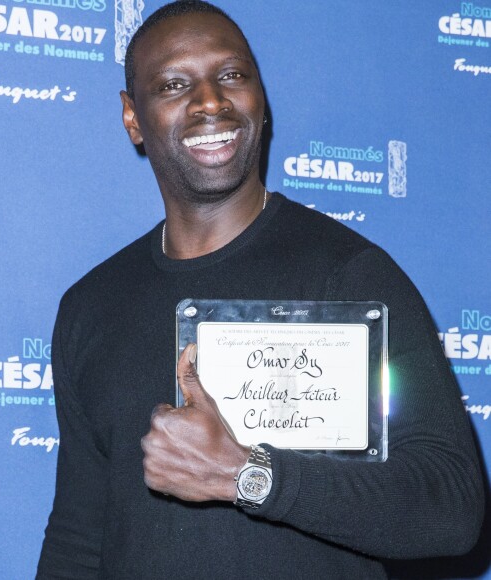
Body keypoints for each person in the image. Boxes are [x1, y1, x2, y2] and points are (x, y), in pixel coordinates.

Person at [37, 1, 484, 578]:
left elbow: (450, 507)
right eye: (175, 84)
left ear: (260, 98)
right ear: (132, 117)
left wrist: (248, 475)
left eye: (231, 75)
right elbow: (78, 537)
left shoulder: (352, 277)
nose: (210, 101)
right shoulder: (90, 307)